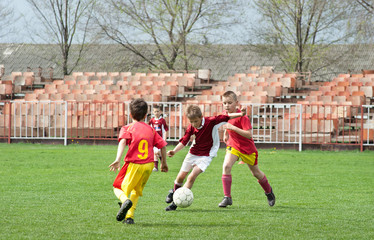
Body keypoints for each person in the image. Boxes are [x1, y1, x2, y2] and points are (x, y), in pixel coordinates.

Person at [164, 104, 246, 211]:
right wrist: (174, 151)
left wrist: (241, 114)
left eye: (196, 121)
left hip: (207, 155)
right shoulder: (191, 127)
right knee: (180, 177)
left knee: (191, 177)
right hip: (193, 153)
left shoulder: (211, 121)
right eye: (191, 122)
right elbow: (184, 141)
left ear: (201, 117)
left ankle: (175, 203)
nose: (194, 124)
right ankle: (174, 192)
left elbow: (227, 117)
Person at [109, 98, 168, 224]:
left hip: (134, 164)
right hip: (149, 165)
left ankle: (125, 201)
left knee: (118, 187)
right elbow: (163, 146)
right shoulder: (151, 130)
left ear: (130, 115)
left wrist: (117, 159)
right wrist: (163, 163)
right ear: (146, 115)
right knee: (136, 191)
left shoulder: (127, 128)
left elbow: (123, 142)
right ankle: (129, 217)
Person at [218, 91, 275, 208]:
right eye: (225, 103)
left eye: (229, 103)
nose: (227, 105)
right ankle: (227, 197)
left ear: (236, 103)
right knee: (226, 167)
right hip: (233, 145)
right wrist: (226, 133)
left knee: (256, 173)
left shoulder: (243, 117)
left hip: (247, 149)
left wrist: (232, 128)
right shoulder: (225, 113)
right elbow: (226, 121)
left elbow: (249, 135)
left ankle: (269, 192)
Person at [148, 105, 169, 172]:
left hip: (160, 139)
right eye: (155, 111)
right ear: (153, 112)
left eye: (157, 111)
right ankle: (156, 167)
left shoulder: (162, 120)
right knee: (156, 153)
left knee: (158, 153)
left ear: (160, 112)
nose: (156, 113)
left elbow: (164, 131)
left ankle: (162, 164)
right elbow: (150, 130)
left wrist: (164, 139)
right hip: (154, 140)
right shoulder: (152, 121)